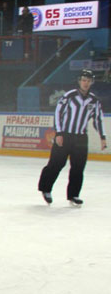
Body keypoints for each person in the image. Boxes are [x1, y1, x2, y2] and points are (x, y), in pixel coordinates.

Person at [38, 69, 106, 206]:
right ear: (79, 81)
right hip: (64, 136)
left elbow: (98, 119)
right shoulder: (69, 96)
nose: (85, 83)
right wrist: (59, 133)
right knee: (56, 164)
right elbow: (58, 113)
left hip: (81, 138)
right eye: (83, 80)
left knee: (78, 167)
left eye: (88, 81)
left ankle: (73, 195)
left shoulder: (94, 100)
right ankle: (45, 189)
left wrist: (102, 137)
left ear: (91, 82)